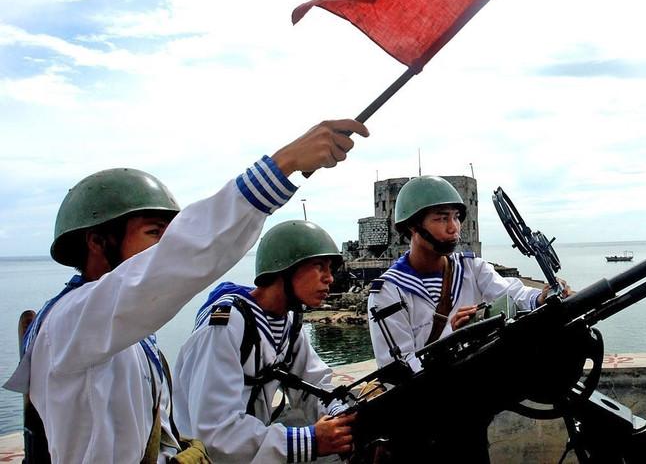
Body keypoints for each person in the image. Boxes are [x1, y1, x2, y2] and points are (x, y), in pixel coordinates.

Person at [3, 118, 368, 464]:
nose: (166, 246)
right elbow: (181, 257)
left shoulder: (122, 334)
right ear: (98, 242)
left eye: (169, 234)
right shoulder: (71, 323)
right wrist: (283, 164)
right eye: (154, 232)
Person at [173, 220, 355, 463]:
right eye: (319, 266)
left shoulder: (287, 323)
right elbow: (215, 431)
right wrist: (309, 441)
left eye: (330, 268)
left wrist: (339, 412)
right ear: (285, 269)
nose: (329, 278)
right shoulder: (226, 326)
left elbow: (313, 385)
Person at [367, 175, 569, 372]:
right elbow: (398, 370)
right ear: (413, 226)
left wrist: (540, 298)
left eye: (456, 217)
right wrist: (453, 339)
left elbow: (511, 295)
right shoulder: (389, 292)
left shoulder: (471, 268)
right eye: (442, 218)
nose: (453, 228)